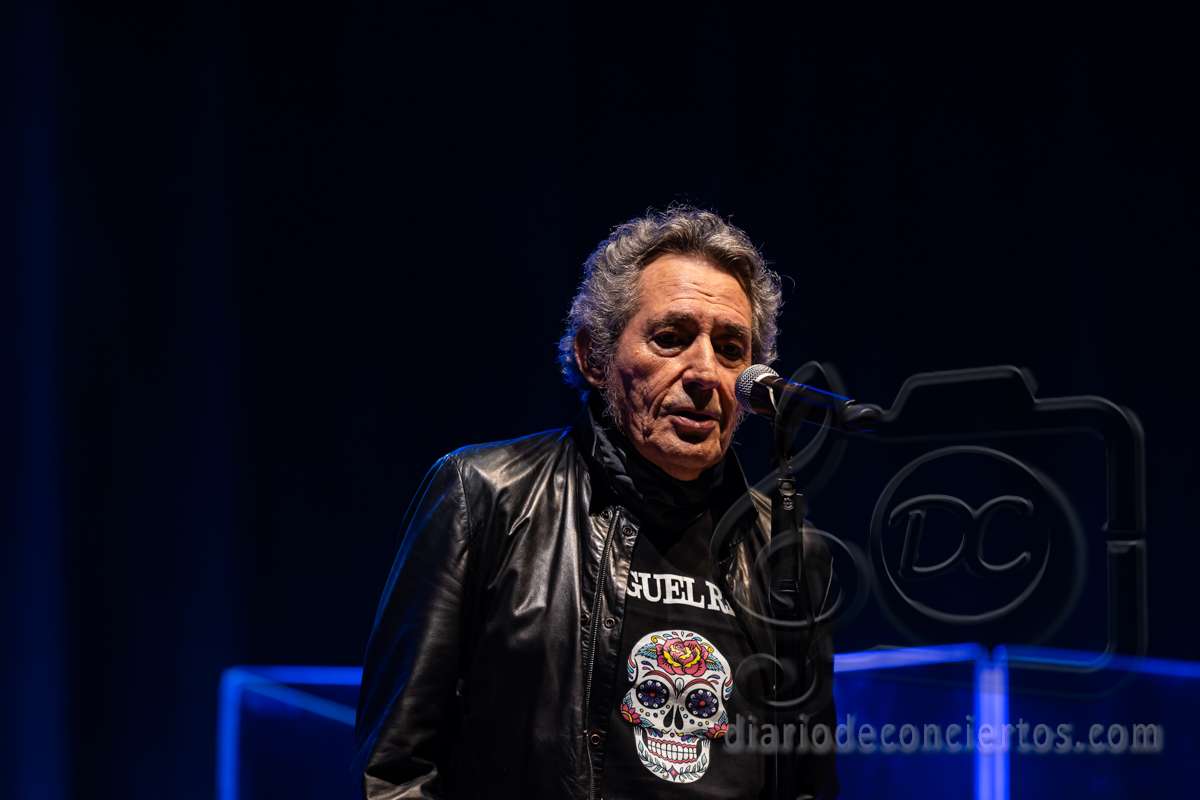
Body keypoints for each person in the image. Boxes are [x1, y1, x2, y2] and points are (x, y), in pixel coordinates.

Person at [354, 207, 837, 799]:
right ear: (593, 357)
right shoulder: (485, 495)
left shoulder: (789, 549)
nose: (705, 371)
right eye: (671, 338)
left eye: (732, 348)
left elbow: (808, 783)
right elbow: (396, 771)